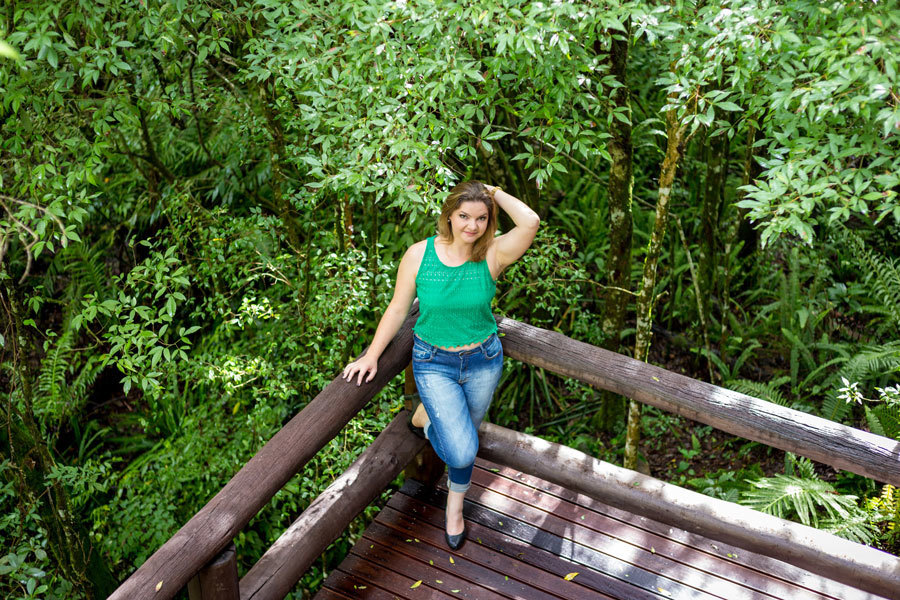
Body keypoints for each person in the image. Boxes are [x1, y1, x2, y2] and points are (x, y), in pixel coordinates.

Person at [342, 180, 539, 550]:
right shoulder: (420, 255)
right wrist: (371, 354)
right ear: (448, 216)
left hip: (484, 361)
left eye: (481, 218)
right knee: (463, 449)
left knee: (465, 436)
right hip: (434, 364)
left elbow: (530, 221)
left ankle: (448, 483)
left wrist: (492, 192)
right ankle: (451, 498)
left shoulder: (493, 254)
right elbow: (399, 308)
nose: (472, 225)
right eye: (464, 215)